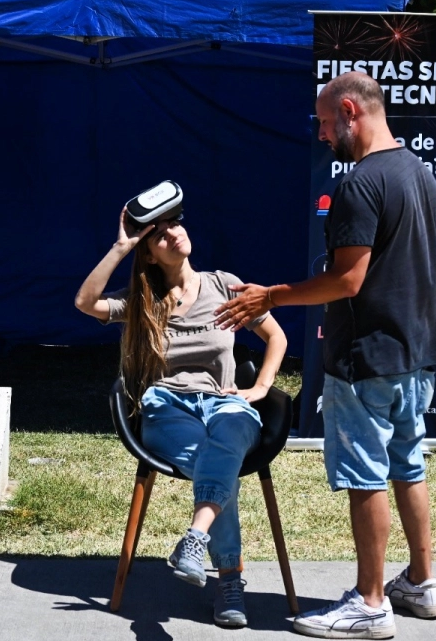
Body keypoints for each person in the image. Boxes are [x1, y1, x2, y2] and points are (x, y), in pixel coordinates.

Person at [215, 71, 436, 639]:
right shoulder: (418, 171)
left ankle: (370, 604)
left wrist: (270, 297)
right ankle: (421, 583)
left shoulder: (360, 183)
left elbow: (347, 280)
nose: (320, 134)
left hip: (368, 356)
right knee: (408, 466)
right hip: (416, 351)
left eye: (323, 121)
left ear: (349, 111)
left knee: (367, 476)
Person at [75, 202, 288, 629]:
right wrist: (122, 247)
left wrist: (261, 388)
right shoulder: (142, 300)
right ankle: (229, 580)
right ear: (150, 254)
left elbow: (276, 336)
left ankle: (195, 539)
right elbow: (85, 302)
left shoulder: (223, 285)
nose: (173, 232)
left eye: (175, 223)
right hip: (166, 405)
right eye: (160, 233)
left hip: (225, 402)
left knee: (229, 435)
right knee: (221, 466)